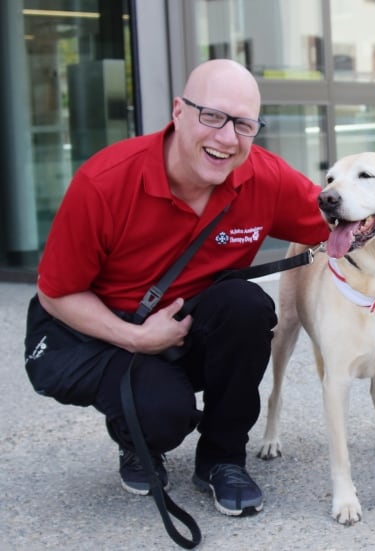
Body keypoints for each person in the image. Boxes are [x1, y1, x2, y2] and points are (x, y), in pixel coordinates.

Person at [24, 59, 330, 517]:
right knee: (163, 415)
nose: (227, 138)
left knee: (247, 305)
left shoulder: (263, 178)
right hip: (105, 334)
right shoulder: (104, 183)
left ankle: (222, 459)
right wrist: (135, 338)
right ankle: (138, 436)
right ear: (178, 111)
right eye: (212, 116)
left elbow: (337, 215)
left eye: (244, 124)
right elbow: (56, 293)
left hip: (188, 328)